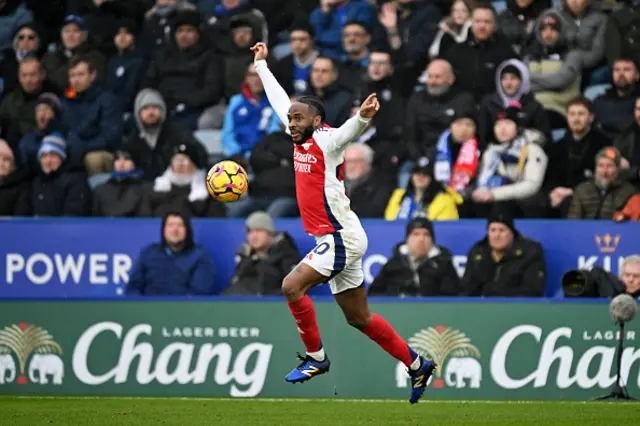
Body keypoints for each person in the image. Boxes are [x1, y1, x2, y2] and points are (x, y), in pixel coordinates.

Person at [251, 41, 435, 404]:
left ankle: (316, 359)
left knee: (291, 286)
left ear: (317, 120)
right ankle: (417, 365)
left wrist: (364, 117)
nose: (291, 123)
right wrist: (261, 66)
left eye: (298, 118)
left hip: (340, 239)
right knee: (359, 318)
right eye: (290, 119)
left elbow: (347, 132)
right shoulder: (299, 136)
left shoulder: (326, 140)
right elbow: (278, 100)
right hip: (342, 237)